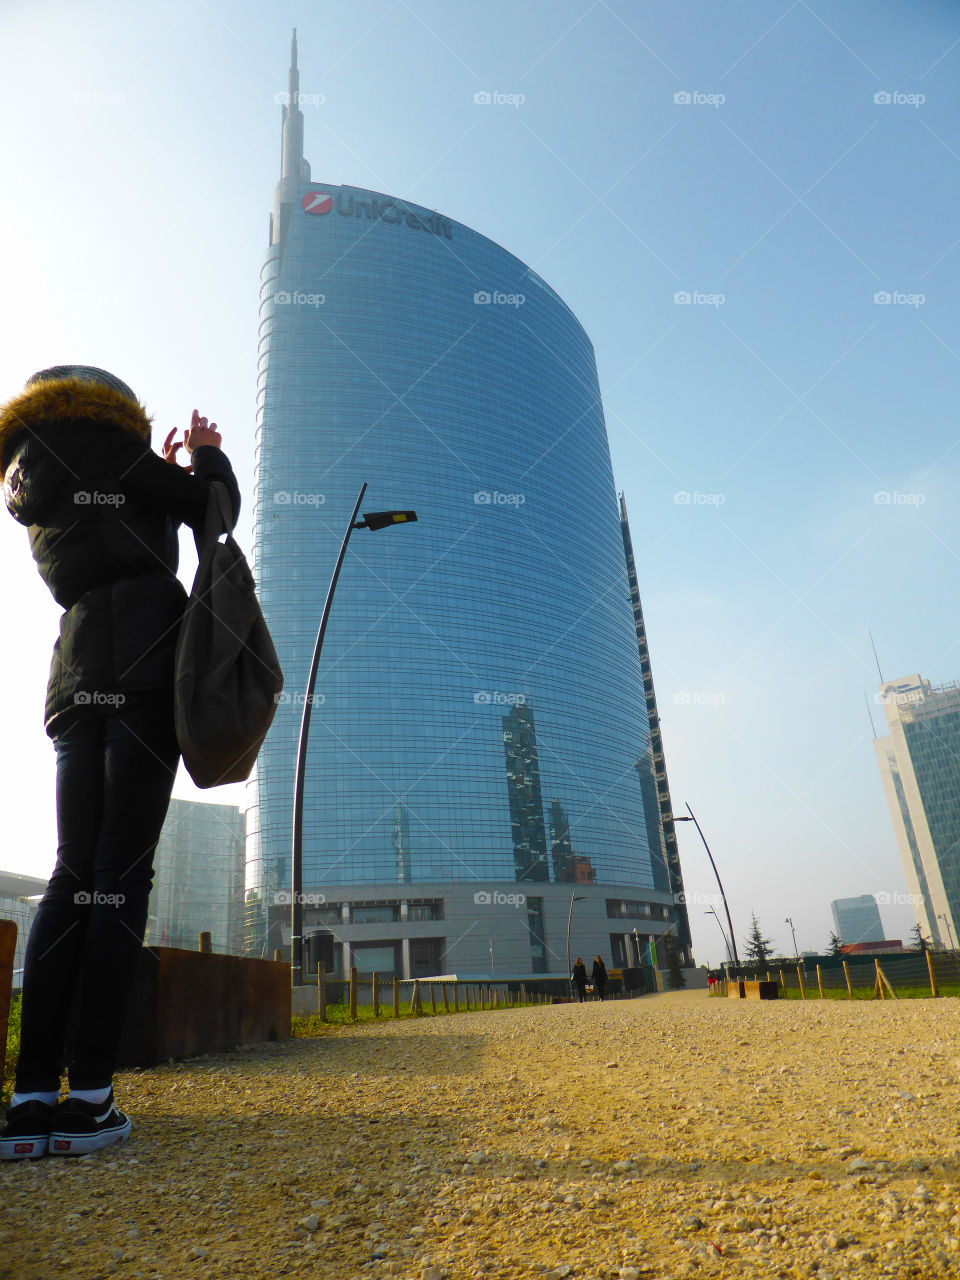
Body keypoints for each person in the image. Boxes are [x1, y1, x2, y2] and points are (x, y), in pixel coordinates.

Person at [0, 365, 240, 1160]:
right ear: (114, 409)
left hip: (73, 681)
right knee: (119, 873)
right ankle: (92, 1100)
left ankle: (32, 1100)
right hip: (141, 675)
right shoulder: (112, 452)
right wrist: (202, 457)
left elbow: (112, 534)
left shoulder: (27, 473)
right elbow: (216, 514)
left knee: (74, 871)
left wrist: (151, 480)